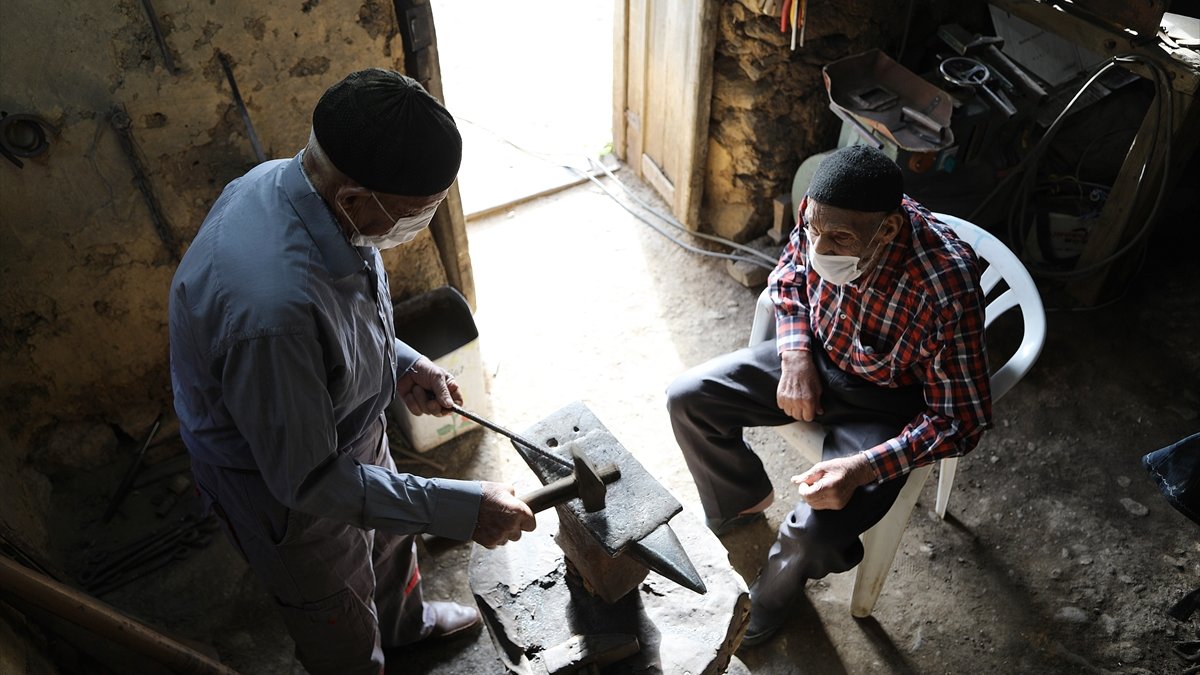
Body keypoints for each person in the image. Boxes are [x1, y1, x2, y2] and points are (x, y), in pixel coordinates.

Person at [169, 68, 536, 674]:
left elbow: (344, 321)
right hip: (285, 484)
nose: (420, 224)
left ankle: (404, 627)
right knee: (334, 604)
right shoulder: (273, 312)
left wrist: (402, 362)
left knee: (391, 545)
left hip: (349, 431)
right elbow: (311, 482)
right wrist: (462, 508)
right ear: (354, 196)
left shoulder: (297, 190)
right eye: (417, 211)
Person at [666, 144, 992, 646]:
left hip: (885, 402)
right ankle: (742, 499)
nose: (822, 246)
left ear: (887, 229)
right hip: (815, 356)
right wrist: (795, 355)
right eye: (816, 230)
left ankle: (769, 603)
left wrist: (862, 468)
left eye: (841, 237)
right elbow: (790, 277)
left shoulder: (945, 283)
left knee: (813, 533)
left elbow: (961, 421)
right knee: (689, 398)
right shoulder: (821, 210)